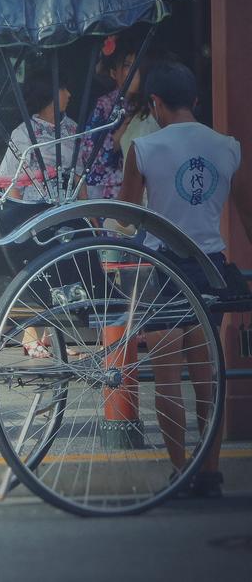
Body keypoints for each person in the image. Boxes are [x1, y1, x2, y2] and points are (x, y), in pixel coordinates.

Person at [118, 61, 252, 498]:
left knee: (169, 377)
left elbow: (126, 215)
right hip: (209, 265)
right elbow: (247, 214)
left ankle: (180, 470)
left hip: (164, 267)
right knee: (206, 375)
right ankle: (210, 472)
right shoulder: (228, 147)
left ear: (155, 102)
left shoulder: (144, 149)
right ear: (196, 100)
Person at [0, 69, 77, 202]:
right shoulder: (23, 133)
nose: (69, 94)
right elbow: (11, 182)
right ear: (48, 93)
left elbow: (79, 171)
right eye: (63, 89)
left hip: (69, 202)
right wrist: (20, 215)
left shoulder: (72, 128)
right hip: (35, 206)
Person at [80, 39, 141, 200]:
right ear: (114, 73)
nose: (136, 71)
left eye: (138, 66)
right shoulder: (105, 104)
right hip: (106, 188)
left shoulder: (146, 106)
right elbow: (90, 153)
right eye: (128, 65)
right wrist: (122, 132)